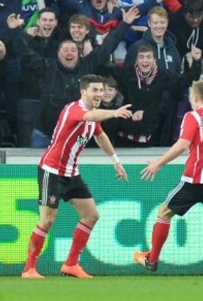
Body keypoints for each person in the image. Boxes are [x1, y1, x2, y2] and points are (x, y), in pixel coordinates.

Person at [21, 74, 132, 280]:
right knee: (47, 221)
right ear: (83, 92)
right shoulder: (75, 109)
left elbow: (99, 135)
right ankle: (29, 269)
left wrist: (115, 160)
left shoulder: (93, 115)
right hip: (52, 170)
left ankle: (71, 264)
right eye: (95, 90)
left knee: (91, 216)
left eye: (101, 90)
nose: (99, 94)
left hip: (71, 172)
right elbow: (91, 117)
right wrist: (115, 112)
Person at [134, 79, 203, 277]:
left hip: (194, 180)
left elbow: (182, 145)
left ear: (195, 97)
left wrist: (158, 163)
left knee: (164, 212)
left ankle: (152, 260)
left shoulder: (193, 116)